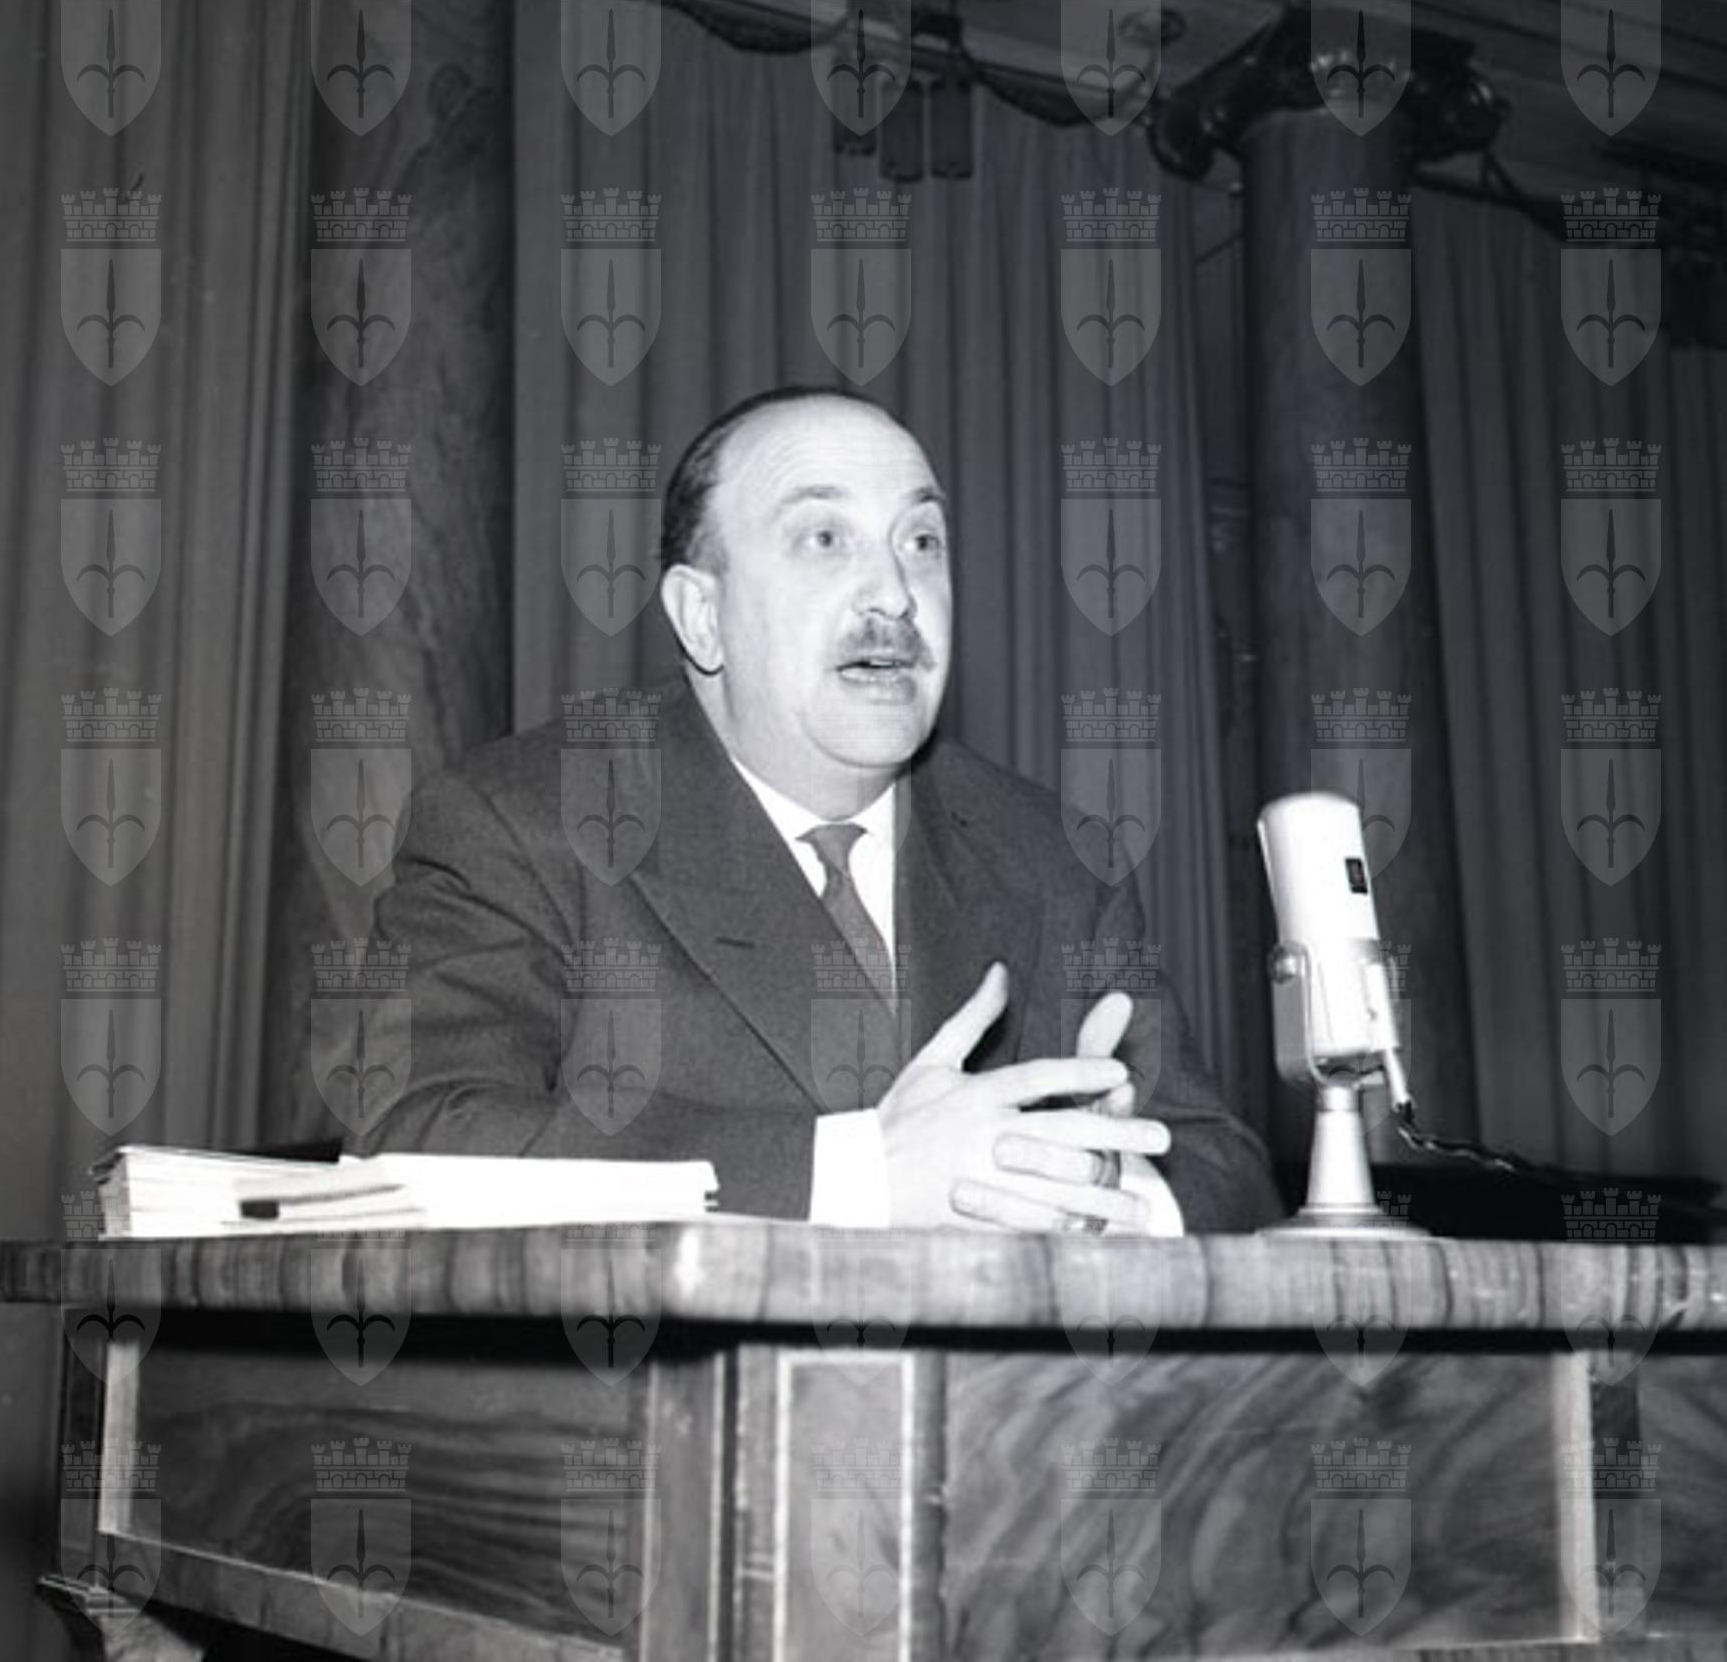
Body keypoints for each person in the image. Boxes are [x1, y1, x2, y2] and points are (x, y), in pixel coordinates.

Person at [355, 386, 1280, 1231]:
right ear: (702, 616)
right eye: (825, 539)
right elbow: (424, 1136)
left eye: (921, 543)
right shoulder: (519, 825)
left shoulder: (1051, 856)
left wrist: (1100, 1192)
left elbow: (1227, 1173)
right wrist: (860, 1175)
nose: (895, 596)